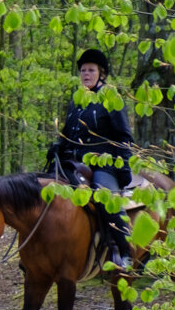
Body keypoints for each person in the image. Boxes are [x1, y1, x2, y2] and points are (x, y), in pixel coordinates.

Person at [48, 47, 133, 269]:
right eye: (83, 70)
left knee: (106, 197)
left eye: (91, 70)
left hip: (103, 163)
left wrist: (123, 165)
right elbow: (68, 132)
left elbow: (124, 136)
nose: (86, 74)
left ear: (101, 73)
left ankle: (126, 251)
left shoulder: (110, 98)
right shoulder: (76, 100)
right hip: (73, 161)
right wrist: (58, 146)